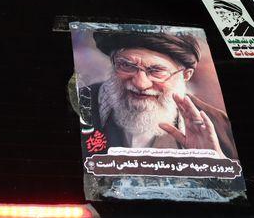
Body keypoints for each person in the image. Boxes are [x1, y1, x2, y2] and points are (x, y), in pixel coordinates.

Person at [82, 31, 237, 159]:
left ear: (185, 75)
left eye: (156, 71)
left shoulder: (219, 126)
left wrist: (214, 163)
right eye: (127, 65)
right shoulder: (80, 103)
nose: (140, 84)